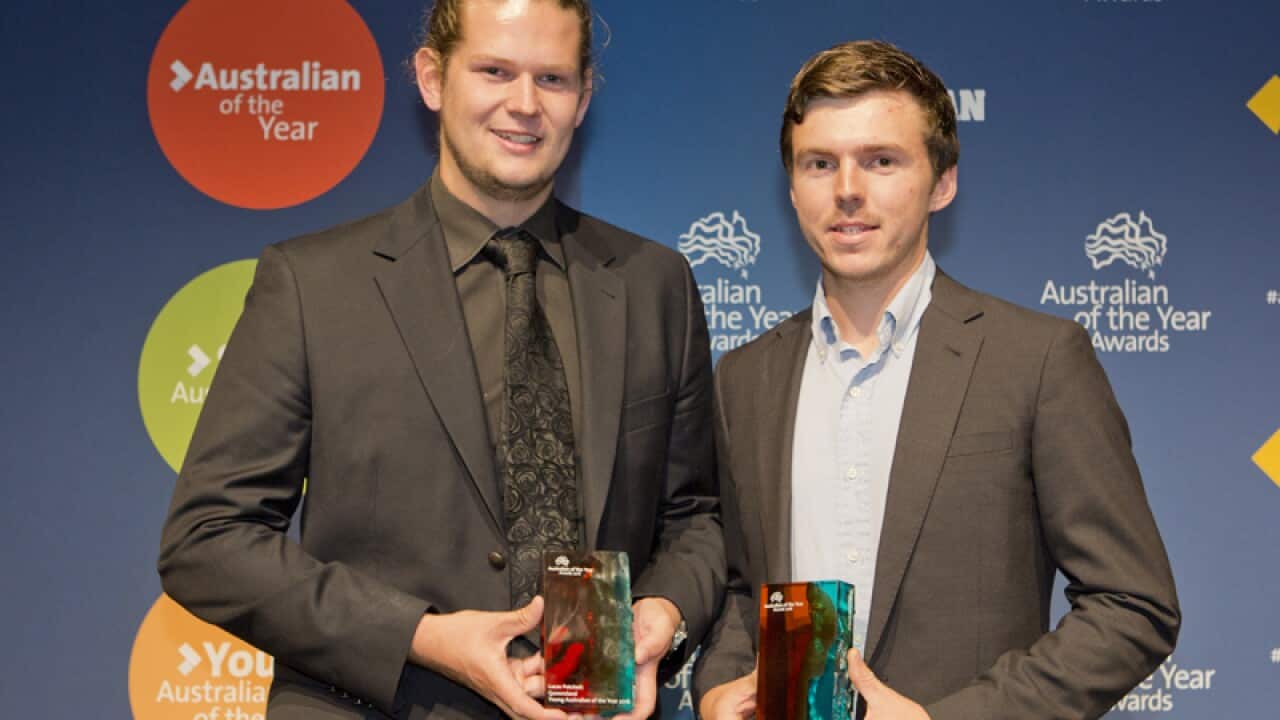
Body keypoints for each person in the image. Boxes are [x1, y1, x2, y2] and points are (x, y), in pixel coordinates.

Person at [157, 1, 722, 718]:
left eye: (551, 79)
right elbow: (207, 542)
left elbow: (695, 518)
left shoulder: (653, 283)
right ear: (431, 78)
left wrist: (661, 617)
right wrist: (420, 636)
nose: (524, 105)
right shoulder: (313, 284)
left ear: (583, 99)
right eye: (494, 71)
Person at [693, 40, 1179, 720]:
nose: (847, 190)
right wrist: (717, 689)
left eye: (881, 161)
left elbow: (1134, 606)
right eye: (819, 163)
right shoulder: (745, 378)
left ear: (942, 181)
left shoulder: (1036, 360)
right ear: (793, 186)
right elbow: (747, 594)